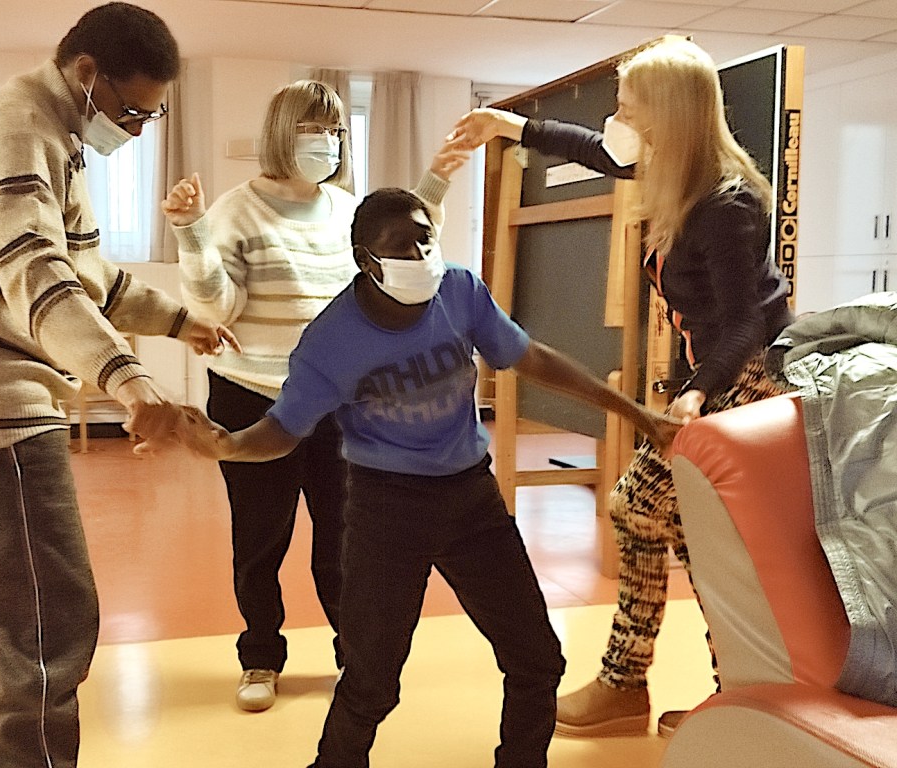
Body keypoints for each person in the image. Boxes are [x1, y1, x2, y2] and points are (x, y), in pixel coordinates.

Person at [163, 186, 680, 768]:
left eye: (424, 237)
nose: (418, 255)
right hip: (387, 512)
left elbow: (529, 356)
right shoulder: (330, 341)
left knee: (537, 659)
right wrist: (226, 446)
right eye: (399, 247)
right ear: (365, 260)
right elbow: (284, 430)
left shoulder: (459, 291)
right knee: (371, 685)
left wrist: (639, 415)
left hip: (472, 501)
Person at [0, 4, 238, 766]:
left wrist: (177, 319)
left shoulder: (52, 136)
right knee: (48, 622)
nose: (139, 131)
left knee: (36, 616)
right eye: (133, 111)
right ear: (87, 73)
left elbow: (87, 272)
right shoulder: (19, 132)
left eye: (153, 117)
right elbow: (39, 276)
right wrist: (131, 382)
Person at [448, 35, 794, 738]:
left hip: (747, 380)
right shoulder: (669, 169)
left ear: (670, 116)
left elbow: (747, 325)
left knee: (640, 507)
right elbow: (596, 151)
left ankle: (647, 683)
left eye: (630, 108)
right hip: (715, 377)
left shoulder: (726, 205)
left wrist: (697, 393)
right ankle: (699, 690)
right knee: (685, 530)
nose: (618, 120)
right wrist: (505, 125)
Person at [161, 80, 467, 712]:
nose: (327, 142)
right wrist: (191, 233)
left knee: (347, 540)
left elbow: (398, 255)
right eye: (313, 129)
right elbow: (215, 307)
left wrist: (435, 182)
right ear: (282, 132)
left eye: (335, 131)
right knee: (261, 538)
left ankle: (354, 654)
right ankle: (260, 656)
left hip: (340, 403)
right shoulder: (236, 211)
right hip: (256, 398)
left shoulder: (346, 209)